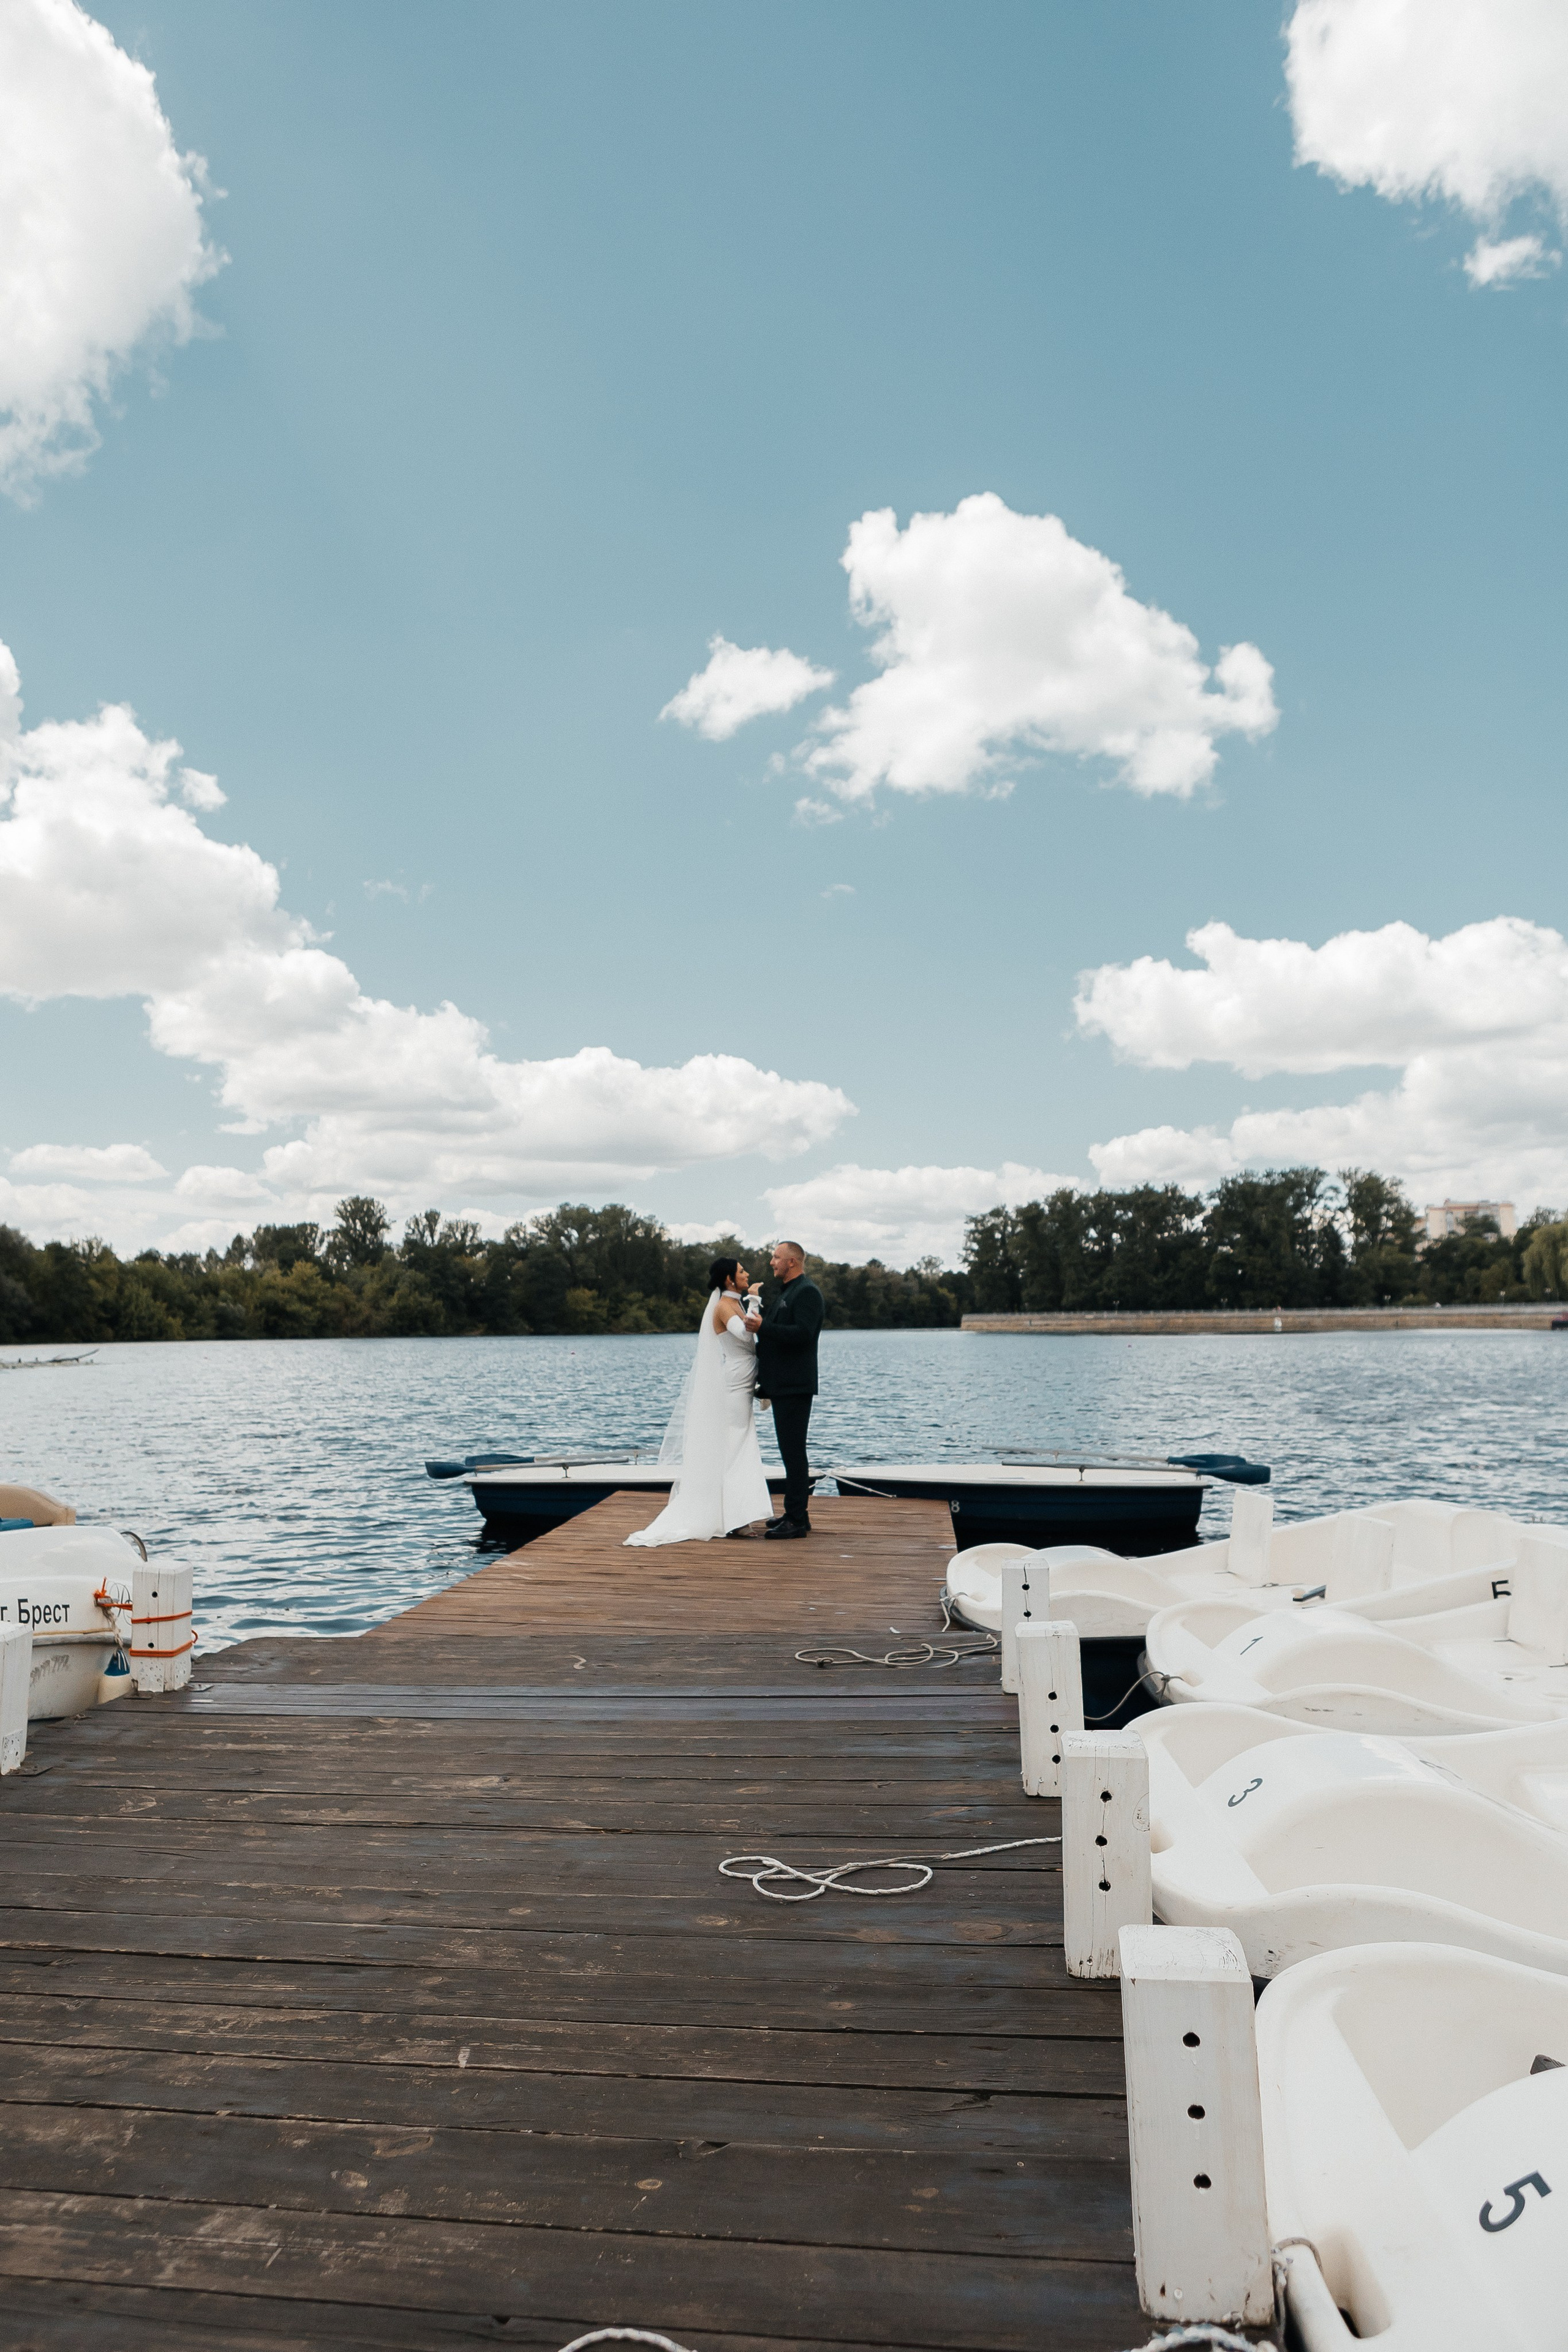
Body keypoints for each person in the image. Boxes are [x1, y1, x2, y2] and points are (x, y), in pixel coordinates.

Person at [624, 1257, 771, 1546]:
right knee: (736, 1448)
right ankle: (736, 1519)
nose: (747, 1274)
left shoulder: (734, 1303)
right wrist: (755, 1299)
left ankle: (735, 1516)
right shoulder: (724, 1306)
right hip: (734, 1383)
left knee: (739, 1446)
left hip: (744, 1380)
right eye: (742, 1271)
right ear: (729, 1279)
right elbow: (745, 1332)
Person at [754, 1238, 823, 1539]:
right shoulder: (787, 1292)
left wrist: (762, 1327)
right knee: (789, 1451)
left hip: (795, 1385)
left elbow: (804, 1335)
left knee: (794, 1453)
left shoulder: (807, 1292)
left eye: (776, 1257)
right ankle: (798, 1515)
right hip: (783, 1384)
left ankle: (795, 1521)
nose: (772, 1262)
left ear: (792, 1262)